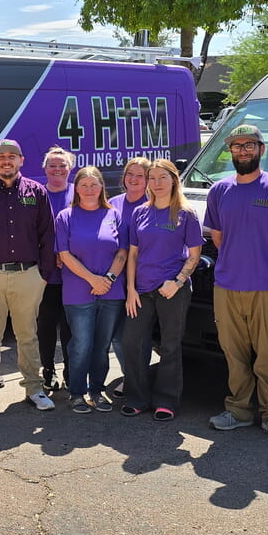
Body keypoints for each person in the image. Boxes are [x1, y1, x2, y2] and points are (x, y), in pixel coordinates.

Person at [205, 124, 268, 440]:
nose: (243, 151)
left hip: (267, 286)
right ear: (230, 150)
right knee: (234, 353)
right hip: (227, 286)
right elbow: (218, 237)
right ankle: (239, 411)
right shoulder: (219, 190)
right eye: (237, 146)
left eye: (250, 145)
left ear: (262, 149)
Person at [0, 138, 57, 410]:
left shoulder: (36, 192)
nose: (6, 161)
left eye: (12, 156)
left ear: (21, 160)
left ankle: (34, 388)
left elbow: (47, 234)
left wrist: (43, 274)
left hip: (28, 275)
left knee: (27, 334)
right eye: (1, 157)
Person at [122, 159, 202, 420]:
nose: (157, 183)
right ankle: (137, 398)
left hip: (173, 291)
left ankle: (166, 401)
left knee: (170, 346)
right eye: (152, 178)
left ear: (174, 180)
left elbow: (194, 256)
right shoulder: (140, 213)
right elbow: (133, 255)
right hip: (141, 291)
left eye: (162, 178)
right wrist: (131, 289)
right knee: (132, 342)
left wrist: (177, 282)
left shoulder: (186, 214)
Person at [54, 167, 127, 414]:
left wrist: (108, 278)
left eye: (94, 184)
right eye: (83, 185)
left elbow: (123, 252)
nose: (89, 189)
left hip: (111, 291)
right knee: (81, 344)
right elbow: (65, 255)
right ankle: (77, 393)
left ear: (101, 187)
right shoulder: (65, 216)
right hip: (78, 292)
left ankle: (97, 391)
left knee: (102, 345)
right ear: (76, 188)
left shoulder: (114, 214)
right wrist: (93, 279)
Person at [108, 157, 151, 395]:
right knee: (117, 336)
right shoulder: (112, 203)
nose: (133, 179)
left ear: (148, 180)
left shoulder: (153, 204)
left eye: (140, 175)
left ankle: (139, 381)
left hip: (143, 282)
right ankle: (130, 376)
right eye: (130, 174)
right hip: (116, 281)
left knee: (139, 336)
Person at [37, 146, 75, 393]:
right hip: (45, 276)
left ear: (70, 169)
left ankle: (72, 372)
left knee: (72, 328)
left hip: (75, 275)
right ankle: (48, 370)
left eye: (62, 165)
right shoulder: (37, 193)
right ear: (45, 169)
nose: (57, 169)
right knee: (46, 327)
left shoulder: (80, 192)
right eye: (52, 165)